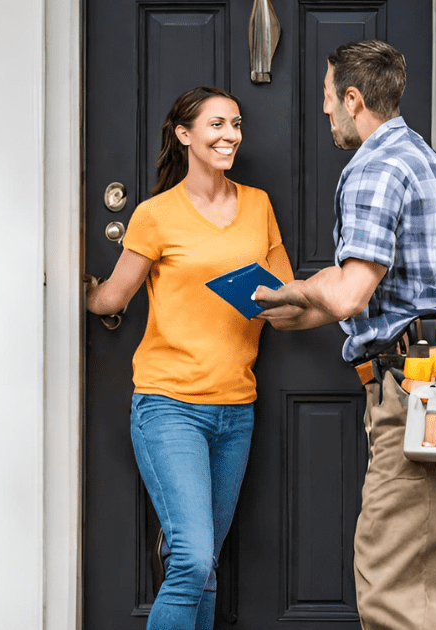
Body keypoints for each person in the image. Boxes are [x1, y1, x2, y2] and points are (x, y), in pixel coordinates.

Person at [255, 41, 436, 630]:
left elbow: (349, 293)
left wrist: (298, 289)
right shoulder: (421, 157)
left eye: (327, 99)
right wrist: (298, 308)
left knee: (394, 581)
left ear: (352, 98)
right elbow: (396, 295)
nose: (324, 113)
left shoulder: (372, 167)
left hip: (415, 394)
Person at [86, 86, 294, 630]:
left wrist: (271, 299)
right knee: (193, 560)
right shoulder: (155, 215)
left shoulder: (258, 205)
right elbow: (114, 297)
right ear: (185, 135)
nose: (232, 136)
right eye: (218, 125)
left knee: (204, 567)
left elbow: (288, 295)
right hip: (170, 405)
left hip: (236, 408)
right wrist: (87, 293)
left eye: (237, 125)